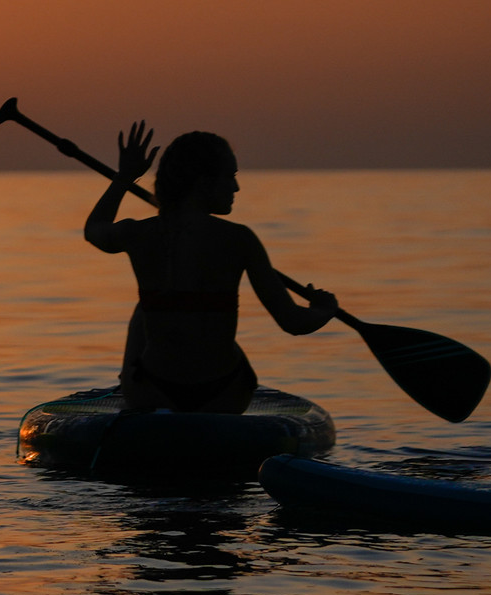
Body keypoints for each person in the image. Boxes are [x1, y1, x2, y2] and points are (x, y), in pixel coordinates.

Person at [84, 124, 336, 413]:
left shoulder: (138, 233)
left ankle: (138, 390)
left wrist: (125, 177)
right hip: (223, 395)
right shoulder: (240, 239)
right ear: (204, 183)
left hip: (153, 392)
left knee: (146, 309)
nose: (236, 187)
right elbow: (294, 322)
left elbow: (94, 228)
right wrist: (325, 309)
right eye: (230, 176)